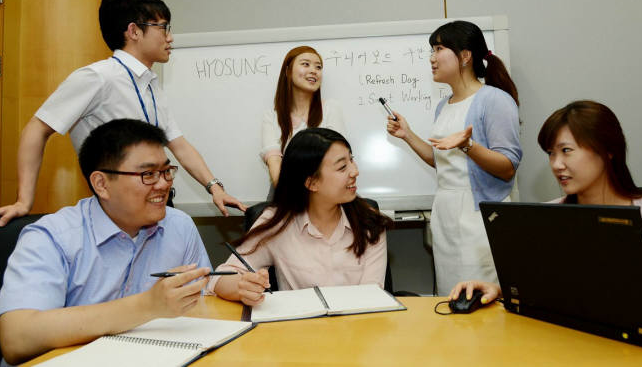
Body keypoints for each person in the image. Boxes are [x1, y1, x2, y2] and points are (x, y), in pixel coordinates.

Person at [0, 0, 245, 228]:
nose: (170, 37)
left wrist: (215, 188)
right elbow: (36, 129)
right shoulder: (97, 77)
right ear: (134, 31)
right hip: (115, 212)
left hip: (156, 204)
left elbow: (178, 143)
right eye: (163, 28)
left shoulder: (150, 83)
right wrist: (24, 201)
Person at [450, 100, 642, 313]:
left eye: (566, 151)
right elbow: (548, 287)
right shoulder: (548, 216)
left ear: (607, 150)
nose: (557, 164)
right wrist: (498, 289)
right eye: (551, 153)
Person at [0, 119, 213, 365]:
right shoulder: (51, 237)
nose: (164, 184)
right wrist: (147, 305)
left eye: (166, 171)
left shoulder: (179, 226)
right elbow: (17, 339)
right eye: (148, 174)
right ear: (101, 184)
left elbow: (202, 304)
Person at [386, 20, 521, 295]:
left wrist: (468, 145)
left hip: (479, 218)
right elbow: (441, 161)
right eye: (431, 51)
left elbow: (507, 168)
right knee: (450, 296)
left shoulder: (494, 100)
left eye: (438, 49)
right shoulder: (442, 106)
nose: (432, 58)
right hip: (445, 213)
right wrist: (408, 134)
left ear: (465, 56)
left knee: (479, 298)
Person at [211, 128, 390, 306]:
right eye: (342, 167)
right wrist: (242, 287)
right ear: (311, 182)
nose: (355, 171)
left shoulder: (369, 222)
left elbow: (372, 297)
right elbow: (220, 278)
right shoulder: (277, 223)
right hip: (298, 331)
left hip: (357, 329)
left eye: (352, 160)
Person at [261, 46, 346, 188]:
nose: (314, 70)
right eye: (305, 64)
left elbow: (339, 157)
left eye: (318, 67)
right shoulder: (271, 116)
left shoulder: (331, 108)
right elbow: (274, 162)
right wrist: (290, 197)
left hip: (326, 189)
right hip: (285, 189)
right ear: (288, 71)